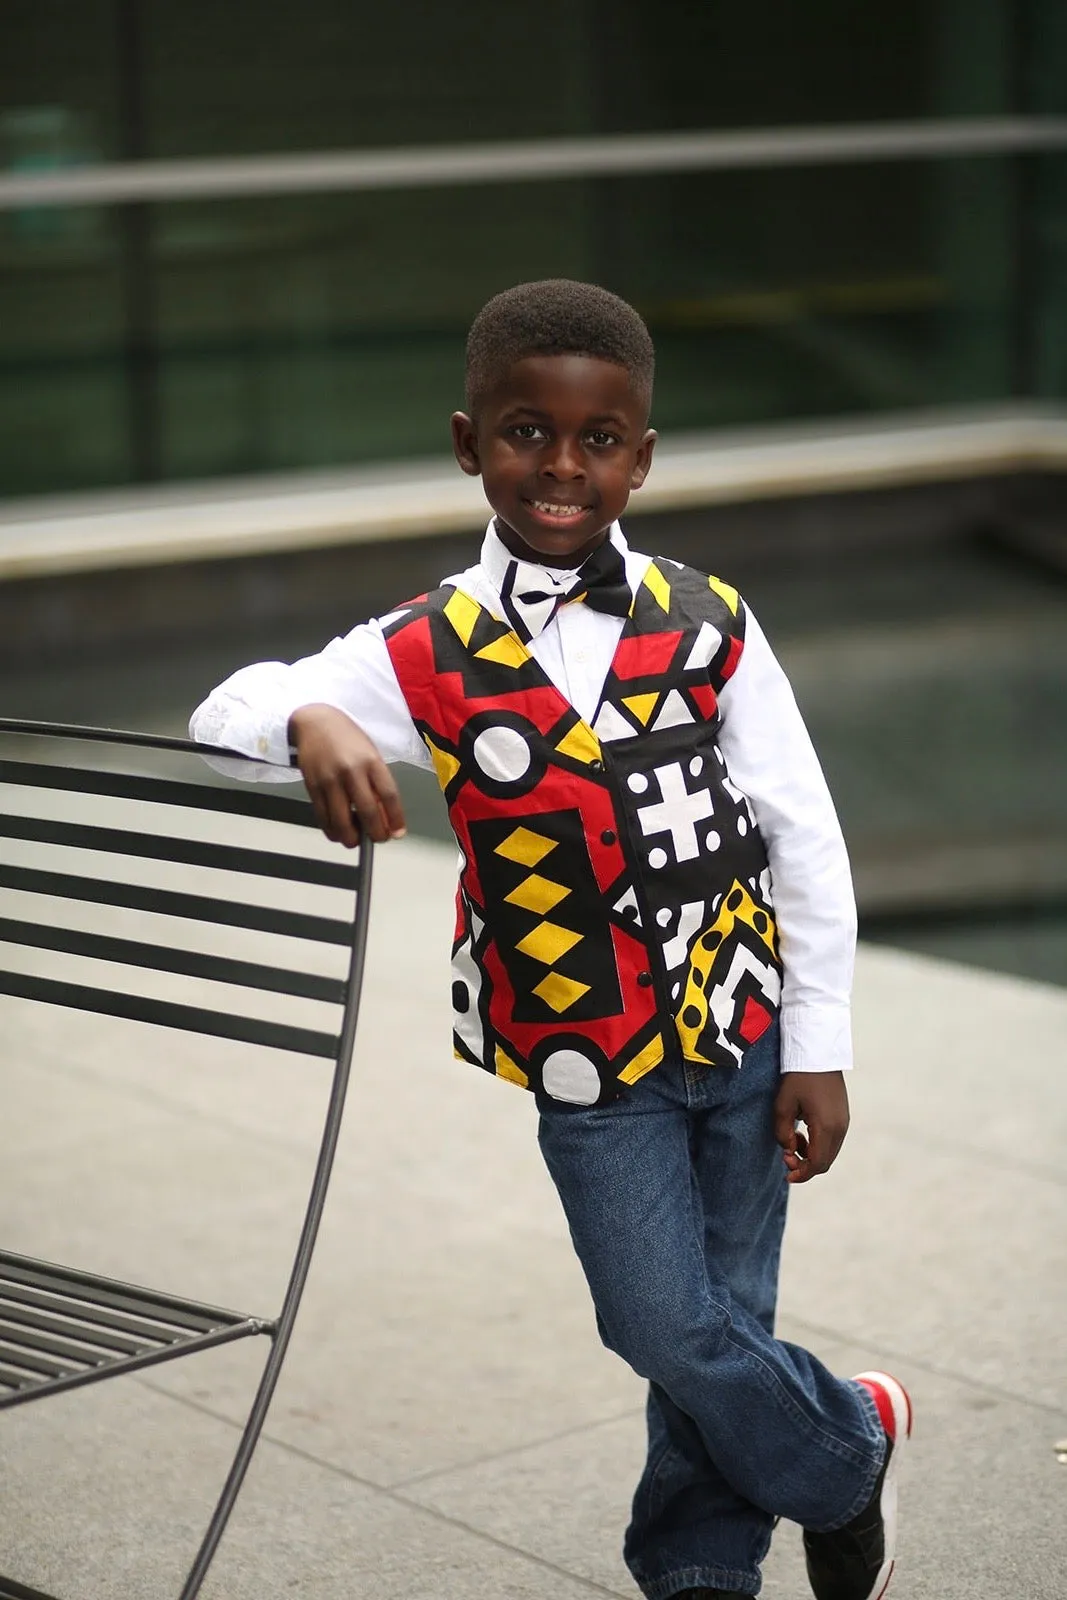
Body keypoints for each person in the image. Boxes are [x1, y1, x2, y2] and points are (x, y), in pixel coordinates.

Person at [191, 279, 911, 1600]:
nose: (560, 468)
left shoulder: (712, 621)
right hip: (586, 1062)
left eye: (596, 440)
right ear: (471, 445)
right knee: (653, 1320)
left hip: (743, 1033)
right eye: (527, 433)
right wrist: (310, 719)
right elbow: (220, 711)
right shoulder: (421, 650)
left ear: (640, 455)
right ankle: (843, 1446)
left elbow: (801, 838)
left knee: (722, 1326)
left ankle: (697, 1571)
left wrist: (821, 1043)